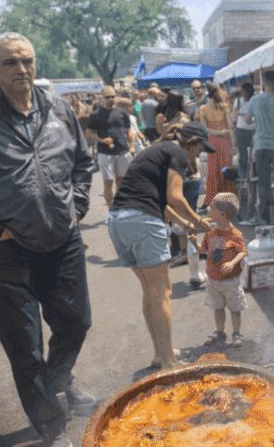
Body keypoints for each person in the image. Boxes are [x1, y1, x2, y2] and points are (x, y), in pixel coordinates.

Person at [0, 33, 96, 447]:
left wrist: (78, 207)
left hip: (62, 238)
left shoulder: (58, 108)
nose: (21, 70)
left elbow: (83, 164)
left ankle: (59, 381)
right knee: (24, 343)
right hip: (5, 251)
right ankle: (49, 423)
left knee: (76, 322)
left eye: (26, 60)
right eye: (9, 63)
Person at [106, 121, 215, 369]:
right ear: (192, 142)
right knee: (162, 292)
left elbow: (161, 203)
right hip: (142, 221)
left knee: (150, 291)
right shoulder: (177, 153)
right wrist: (198, 221)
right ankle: (169, 361)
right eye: (199, 149)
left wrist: (186, 226)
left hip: (118, 222)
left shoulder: (157, 151)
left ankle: (160, 354)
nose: (198, 156)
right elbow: (175, 198)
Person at [200, 192, 248, 348]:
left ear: (221, 214)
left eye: (211, 207)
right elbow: (203, 250)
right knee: (217, 307)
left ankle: (236, 333)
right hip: (213, 279)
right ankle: (220, 332)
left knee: (235, 309)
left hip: (231, 281)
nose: (207, 208)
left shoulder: (235, 234)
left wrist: (233, 263)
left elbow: (242, 251)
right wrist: (192, 240)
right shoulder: (210, 232)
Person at [246, 69, 274, 228]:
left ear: (263, 83)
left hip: (261, 146)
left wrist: (260, 122)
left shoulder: (254, 100)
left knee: (263, 184)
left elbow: (248, 119)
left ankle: (265, 220)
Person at [86, 85, 135, 208]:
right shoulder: (95, 114)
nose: (110, 99)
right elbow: (89, 133)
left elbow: (129, 131)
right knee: (108, 185)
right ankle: (111, 212)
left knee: (122, 184)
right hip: (105, 153)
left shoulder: (122, 112)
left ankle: (119, 210)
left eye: (113, 96)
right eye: (107, 97)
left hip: (123, 152)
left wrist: (132, 146)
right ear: (102, 97)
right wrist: (101, 140)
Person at [197, 83, 236, 207]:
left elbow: (204, 129)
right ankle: (229, 198)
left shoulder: (203, 108)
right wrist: (233, 144)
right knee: (225, 168)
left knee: (213, 170)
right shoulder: (225, 106)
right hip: (225, 141)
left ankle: (212, 199)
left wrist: (217, 133)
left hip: (212, 141)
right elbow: (230, 126)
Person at [233, 81, 256, 178]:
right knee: (246, 154)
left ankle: (248, 173)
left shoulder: (253, 100)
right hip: (245, 129)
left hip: (247, 129)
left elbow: (235, 114)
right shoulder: (238, 100)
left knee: (248, 154)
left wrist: (241, 114)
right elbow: (235, 114)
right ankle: (247, 173)